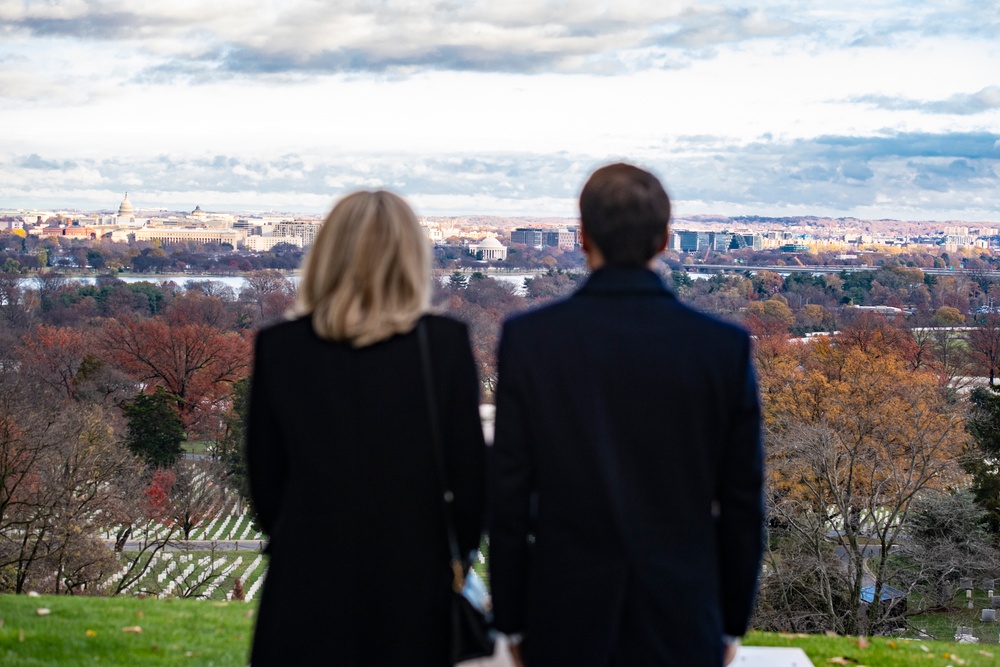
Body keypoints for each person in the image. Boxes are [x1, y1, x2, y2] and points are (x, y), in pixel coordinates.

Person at [489, 163, 764, 667]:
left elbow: (509, 495)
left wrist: (511, 619)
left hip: (562, 611)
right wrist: (730, 622)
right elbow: (743, 503)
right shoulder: (721, 348)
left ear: (582, 236)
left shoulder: (531, 341)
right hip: (682, 611)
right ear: (665, 239)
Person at [247, 190, 486, 666]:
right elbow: (471, 480)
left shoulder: (280, 347)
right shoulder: (444, 345)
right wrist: (451, 553)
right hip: (414, 579)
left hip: (305, 578)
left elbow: (265, 482)